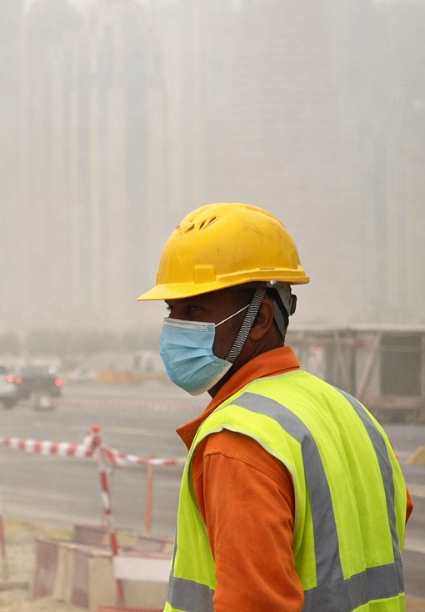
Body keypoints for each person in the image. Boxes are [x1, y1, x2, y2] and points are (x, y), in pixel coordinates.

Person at [139, 203, 410, 611]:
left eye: (194, 309)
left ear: (261, 318)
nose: (175, 327)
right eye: (172, 311)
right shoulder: (353, 412)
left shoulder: (239, 442)